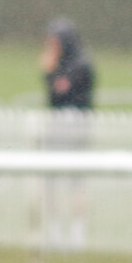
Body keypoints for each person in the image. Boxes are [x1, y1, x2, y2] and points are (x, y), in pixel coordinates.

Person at [40, 18, 96, 250]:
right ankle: (53, 230)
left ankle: (77, 233)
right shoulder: (60, 63)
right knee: (50, 180)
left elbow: (64, 92)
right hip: (57, 125)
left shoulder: (81, 64)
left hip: (75, 126)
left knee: (76, 181)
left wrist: (50, 72)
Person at [41, 17, 95, 110]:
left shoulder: (79, 63)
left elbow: (61, 90)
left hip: (77, 116)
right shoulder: (61, 61)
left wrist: (50, 71)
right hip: (60, 116)